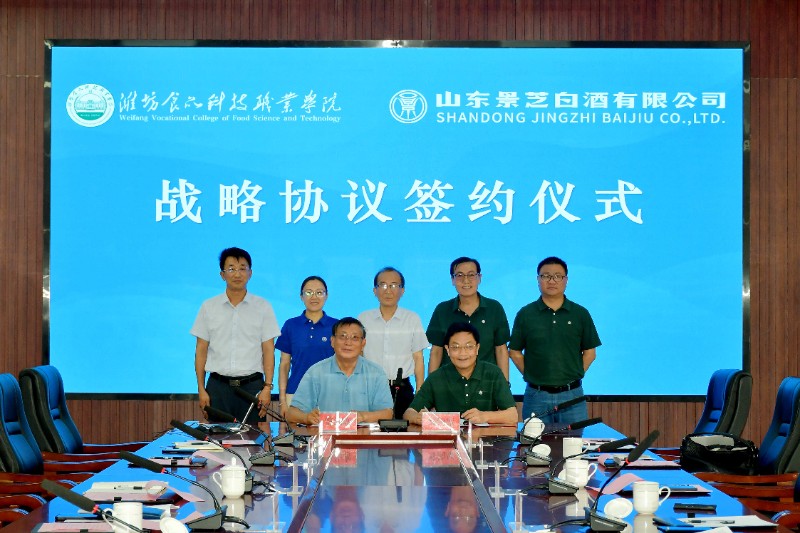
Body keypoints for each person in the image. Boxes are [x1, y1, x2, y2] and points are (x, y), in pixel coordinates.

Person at [190, 247, 280, 424]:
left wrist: (267, 387)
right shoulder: (209, 307)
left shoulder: (263, 307)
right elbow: (201, 350)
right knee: (217, 438)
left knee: (253, 439)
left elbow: (268, 350)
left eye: (242, 268)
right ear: (222, 275)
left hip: (252, 387)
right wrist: (201, 388)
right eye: (231, 269)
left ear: (250, 273)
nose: (237, 274)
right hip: (218, 387)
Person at [509, 256, 601, 425]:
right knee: (533, 441)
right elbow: (514, 352)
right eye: (546, 276)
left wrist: (573, 374)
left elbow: (590, 353)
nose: (552, 281)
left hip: (572, 395)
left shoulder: (580, 313)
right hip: (536, 396)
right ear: (538, 279)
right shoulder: (526, 314)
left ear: (566, 280)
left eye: (558, 276)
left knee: (575, 440)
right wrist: (532, 375)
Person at [404, 322, 517, 425]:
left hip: (486, 438)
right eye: (456, 347)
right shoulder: (436, 377)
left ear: (477, 348)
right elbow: (409, 413)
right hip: (448, 438)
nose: (463, 353)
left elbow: (513, 415)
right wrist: (418, 418)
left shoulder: (493, 373)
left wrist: (484, 416)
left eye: (469, 347)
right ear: (447, 349)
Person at [287, 317, 394, 425]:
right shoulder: (316, 372)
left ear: (363, 344)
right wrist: (306, 418)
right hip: (326, 434)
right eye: (342, 336)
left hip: (364, 434)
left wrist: (362, 416)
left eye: (355, 337)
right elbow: (291, 413)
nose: (348, 342)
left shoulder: (376, 373)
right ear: (332, 341)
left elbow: (387, 413)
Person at [357, 267, 428, 418]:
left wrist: (420, 393)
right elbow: (359, 355)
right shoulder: (364, 319)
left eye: (394, 285)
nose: (388, 290)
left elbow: (418, 358)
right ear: (375, 290)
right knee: (369, 429)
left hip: (402, 388)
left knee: (405, 429)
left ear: (402, 290)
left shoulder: (412, 319)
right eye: (383, 285)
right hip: (371, 388)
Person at [426, 257, 511, 380]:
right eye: (460, 275)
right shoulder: (442, 310)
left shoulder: (494, 308)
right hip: (450, 383)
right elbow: (436, 351)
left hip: (487, 383)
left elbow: (501, 350)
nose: (466, 280)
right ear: (452, 280)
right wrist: (431, 385)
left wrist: (504, 384)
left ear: (479, 278)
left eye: (471, 275)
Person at [276, 276, 337, 418]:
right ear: (301, 296)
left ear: (326, 296)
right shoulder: (291, 325)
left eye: (319, 292)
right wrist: (282, 399)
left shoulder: (337, 326)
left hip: (330, 394)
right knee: (295, 432)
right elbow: (284, 364)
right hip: (296, 393)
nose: (314, 297)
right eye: (308, 292)